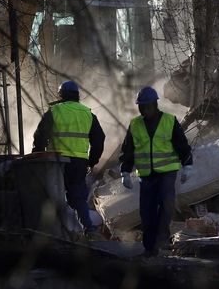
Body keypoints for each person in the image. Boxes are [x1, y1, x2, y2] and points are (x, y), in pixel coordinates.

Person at [119, 86, 193, 257]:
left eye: (148, 106)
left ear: (155, 104)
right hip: (146, 176)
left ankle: (163, 241)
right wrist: (124, 171)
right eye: (142, 106)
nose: (145, 109)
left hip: (167, 173)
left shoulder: (169, 121)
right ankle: (149, 248)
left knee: (166, 205)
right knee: (147, 211)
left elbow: (182, 145)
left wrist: (188, 165)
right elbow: (128, 150)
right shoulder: (135, 124)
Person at [32, 80, 105, 236]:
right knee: (78, 197)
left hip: (56, 161)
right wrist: (92, 161)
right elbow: (99, 140)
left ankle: (54, 232)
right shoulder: (88, 113)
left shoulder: (55, 111)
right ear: (77, 96)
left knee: (53, 196)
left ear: (61, 95)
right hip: (79, 162)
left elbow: (40, 135)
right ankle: (89, 229)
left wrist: (37, 153)